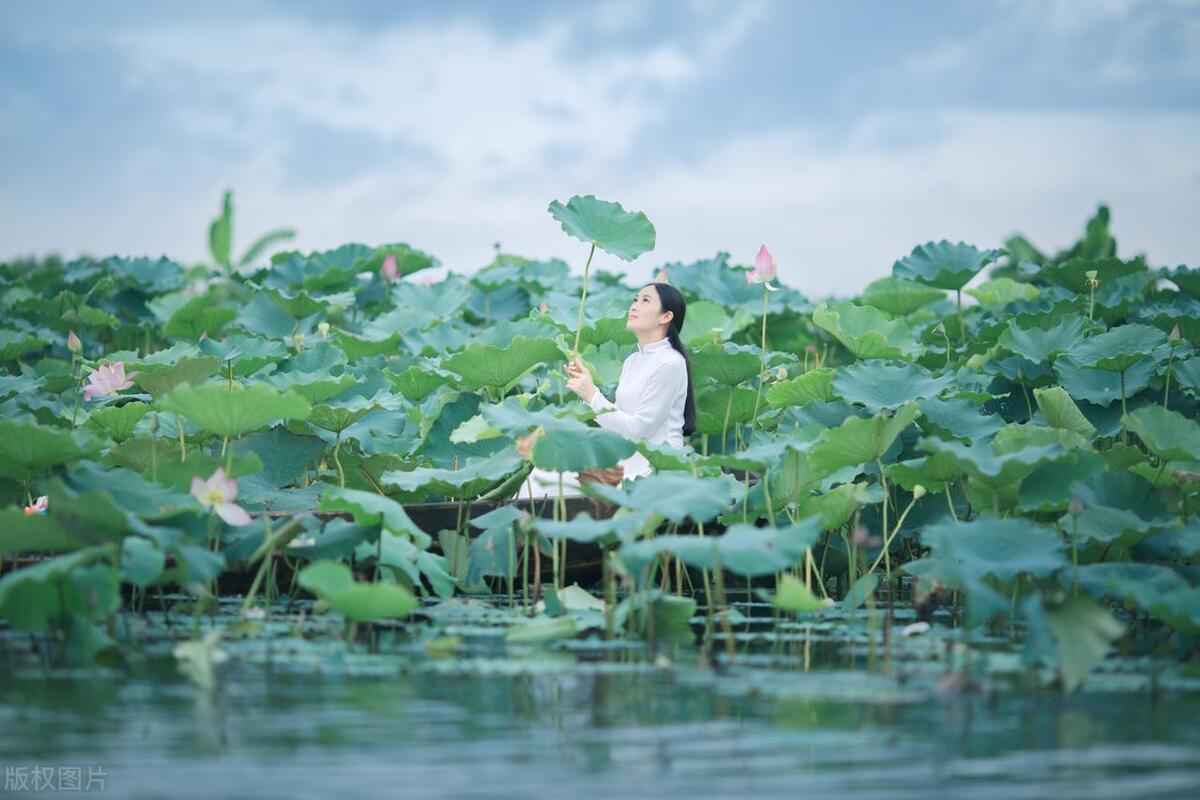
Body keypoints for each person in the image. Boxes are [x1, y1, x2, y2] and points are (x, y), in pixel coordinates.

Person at [524, 282, 697, 498]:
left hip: (652, 472)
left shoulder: (670, 363)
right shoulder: (633, 361)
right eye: (635, 299)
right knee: (545, 472)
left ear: (665, 317)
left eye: (645, 300)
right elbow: (620, 425)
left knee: (550, 478)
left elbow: (637, 429)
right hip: (623, 461)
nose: (634, 306)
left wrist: (592, 396)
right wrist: (589, 388)